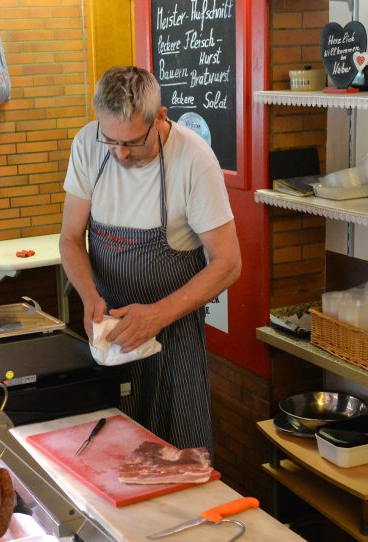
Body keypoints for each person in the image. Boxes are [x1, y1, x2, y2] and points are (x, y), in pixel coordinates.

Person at [59, 66, 242, 452]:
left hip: (172, 341)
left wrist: (157, 315)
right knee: (106, 455)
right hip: (109, 336)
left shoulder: (194, 160)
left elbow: (228, 262)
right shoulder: (88, 144)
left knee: (175, 461)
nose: (120, 153)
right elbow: (71, 238)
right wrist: (90, 297)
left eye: (133, 142)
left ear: (161, 117)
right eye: (110, 141)